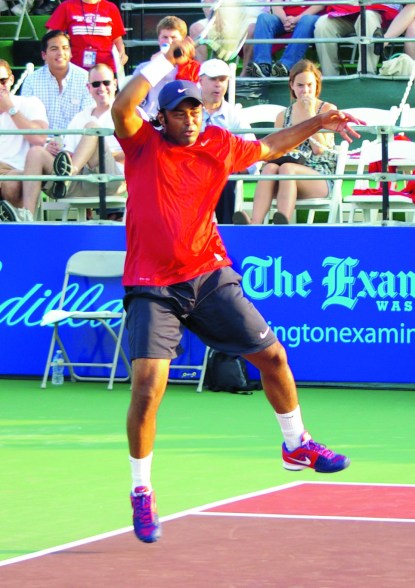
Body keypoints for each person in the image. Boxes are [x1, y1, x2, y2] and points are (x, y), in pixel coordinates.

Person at [111, 37, 361, 544]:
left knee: (272, 356)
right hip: (152, 287)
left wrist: (317, 123)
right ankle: (141, 492)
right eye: (180, 112)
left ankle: (296, 444)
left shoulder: (218, 145)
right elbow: (122, 104)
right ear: (162, 119)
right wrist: (165, 61)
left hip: (207, 275)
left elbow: (270, 147)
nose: (191, 118)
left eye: (196, 110)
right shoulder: (142, 144)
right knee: (147, 390)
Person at [236, 60, 337, 225]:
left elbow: (319, 151)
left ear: (317, 85)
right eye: (300, 85)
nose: (305, 90)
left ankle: (283, 225)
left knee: (287, 169)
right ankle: (255, 225)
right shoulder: (283, 116)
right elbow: (277, 149)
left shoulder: (326, 110)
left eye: (310, 85)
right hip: (286, 173)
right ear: (292, 86)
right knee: (270, 168)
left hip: (319, 176)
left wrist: (310, 114)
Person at [19, 63, 125, 216]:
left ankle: (68, 174)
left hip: (112, 180)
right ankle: (26, 216)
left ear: (115, 84)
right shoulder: (80, 117)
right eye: (96, 84)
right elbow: (67, 153)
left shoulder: (129, 112)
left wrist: (99, 155)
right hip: (80, 181)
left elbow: (141, 153)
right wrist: (54, 150)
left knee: (93, 127)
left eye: (106, 82)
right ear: (88, 88)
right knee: (36, 152)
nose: (101, 88)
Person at [198, 58, 255, 223]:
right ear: (201, 80)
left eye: (223, 80)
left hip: (222, 174)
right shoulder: (188, 110)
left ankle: (228, 236)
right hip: (190, 171)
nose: (218, 84)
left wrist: (232, 168)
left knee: (225, 179)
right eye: (213, 79)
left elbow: (252, 154)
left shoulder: (235, 115)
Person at [0, 59, 49, 221]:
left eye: (3, 81)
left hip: (16, 170)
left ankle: (22, 222)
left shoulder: (29, 103)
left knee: (11, 183)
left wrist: (10, 109)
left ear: (12, 80)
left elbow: (39, 138)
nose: (0, 86)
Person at [21, 30, 94, 132]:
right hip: (42, 143)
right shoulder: (32, 81)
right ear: (44, 55)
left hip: (75, 142)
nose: (60, 53)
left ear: (71, 53)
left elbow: (88, 118)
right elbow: (26, 119)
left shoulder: (85, 79)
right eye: (54, 49)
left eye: (65, 48)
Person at [134, 16, 201, 118]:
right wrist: (154, 67)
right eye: (165, 37)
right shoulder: (143, 68)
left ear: (183, 41)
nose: (169, 42)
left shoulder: (193, 69)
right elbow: (133, 101)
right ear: (158, 40)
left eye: (174, 38)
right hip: (149, 121)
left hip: (178, 123)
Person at [243, 0, 325, 78]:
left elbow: (320, 4)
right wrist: (285, 21)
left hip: (308, 19)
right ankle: (262, 65)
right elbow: (276, 5)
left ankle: (285, 66)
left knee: (307, 20)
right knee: (264, 18)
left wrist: (296, 19)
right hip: (285, 19)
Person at [314, 3, 401, 76]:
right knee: (323, 24)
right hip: (346, 12)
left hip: (378, 13)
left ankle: (366, 76)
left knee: (367, 17)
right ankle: (330, 79)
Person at [44, 0, 128, 72]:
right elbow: (50, 36)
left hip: (105, 70)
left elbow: (117, 39)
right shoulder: (67, 6)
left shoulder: (111, 8)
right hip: (75, 68)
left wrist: (121, 56)